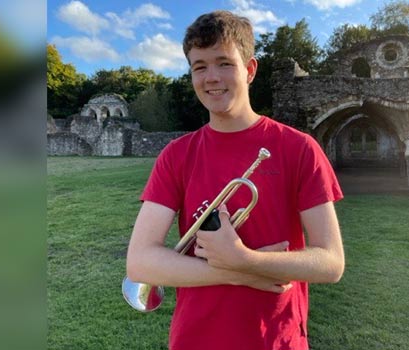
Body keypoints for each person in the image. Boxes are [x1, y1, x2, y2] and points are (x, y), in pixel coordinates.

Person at [126, 10, 345, 350]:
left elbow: (331, 262)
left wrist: (246, 259)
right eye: (199, 66)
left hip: (275, 339)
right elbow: (140, 262)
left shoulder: (300, 149)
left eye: (224, 62)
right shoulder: (175, 155)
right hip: (194, 339)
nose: (211, 77)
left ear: (250, 69)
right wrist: (238, 270)